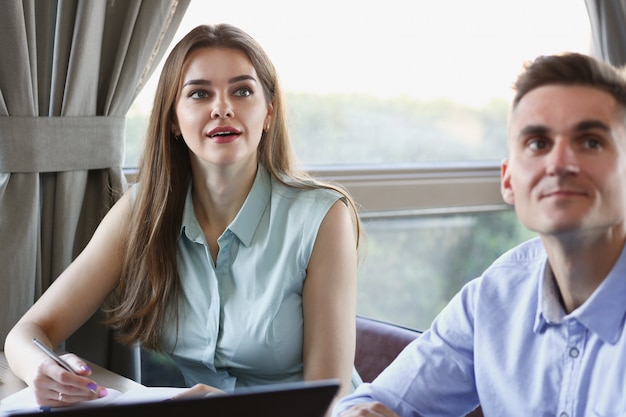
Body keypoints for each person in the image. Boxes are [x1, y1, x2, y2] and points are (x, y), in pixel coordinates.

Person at [4, 23, 361, 409]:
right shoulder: (143, 209)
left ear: (269, 112)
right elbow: (26, 334)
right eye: (199, 94)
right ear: (173, 120)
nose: (222, 107)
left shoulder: (324, 217)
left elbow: (331, 400)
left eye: (242, 91)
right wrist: (44, 369)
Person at [333, 52, 626, 417]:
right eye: (537, 143)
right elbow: (371, 402)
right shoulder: (494, 298)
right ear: (508, 180)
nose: (559, 163)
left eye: (591, 142)